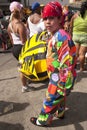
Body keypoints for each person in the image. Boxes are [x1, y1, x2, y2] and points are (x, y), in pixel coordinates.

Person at [30, 1, 77, 126]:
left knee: (50, 98)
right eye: (45, 18)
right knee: (60, 97)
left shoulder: (61, 37)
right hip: (56, 74)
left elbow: (67, 63)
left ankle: (43, 120)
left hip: (60, 77)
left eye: (51, 18)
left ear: (60, 18)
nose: (47, 21)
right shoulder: (55, 34)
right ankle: (60, 113)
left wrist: (63, 84)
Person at [7, 1, 30, 93]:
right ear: (19, 11)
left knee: (22, 67)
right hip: (22, 48)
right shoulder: (19, 25)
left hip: (15, 48)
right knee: (22, 68)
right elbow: (24, 41)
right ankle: (24, 87)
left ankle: (26, 83)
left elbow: (12, 40)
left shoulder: (9, 25)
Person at [70, 1, 87, 71]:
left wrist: (71, 35)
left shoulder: (75, 15)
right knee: (82, 54)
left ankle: (73, 67)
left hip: (75, 36)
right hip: (85, 37)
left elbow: (71, 26)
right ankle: (81, 67)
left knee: (75, 53)